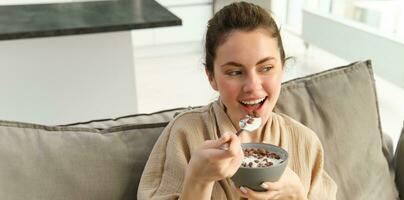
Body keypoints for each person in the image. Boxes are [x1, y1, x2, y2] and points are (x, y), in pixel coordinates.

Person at [138, 2, 337, 200]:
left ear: (282, 68)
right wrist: (197, 181)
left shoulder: (305, 143)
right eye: (234, 72)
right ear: (211, 77)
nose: (252, 85)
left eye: (266, 68)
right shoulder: (184, 134)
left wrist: (297, 195)